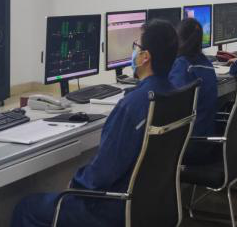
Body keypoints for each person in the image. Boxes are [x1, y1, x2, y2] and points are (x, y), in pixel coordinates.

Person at [11, 20, 179, 227]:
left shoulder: (133, 106)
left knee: (26, 207)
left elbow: (103, 172)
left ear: (145, 57)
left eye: (137, 46)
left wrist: (75, 184)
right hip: (153, 205)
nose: (134, 51)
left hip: (113, 208)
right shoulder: (173, 96)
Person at [168, 17, 217, 164]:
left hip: (189, 145)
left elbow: (171, 104)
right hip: (205, 140)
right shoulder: (207, 64)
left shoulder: (182, 66)